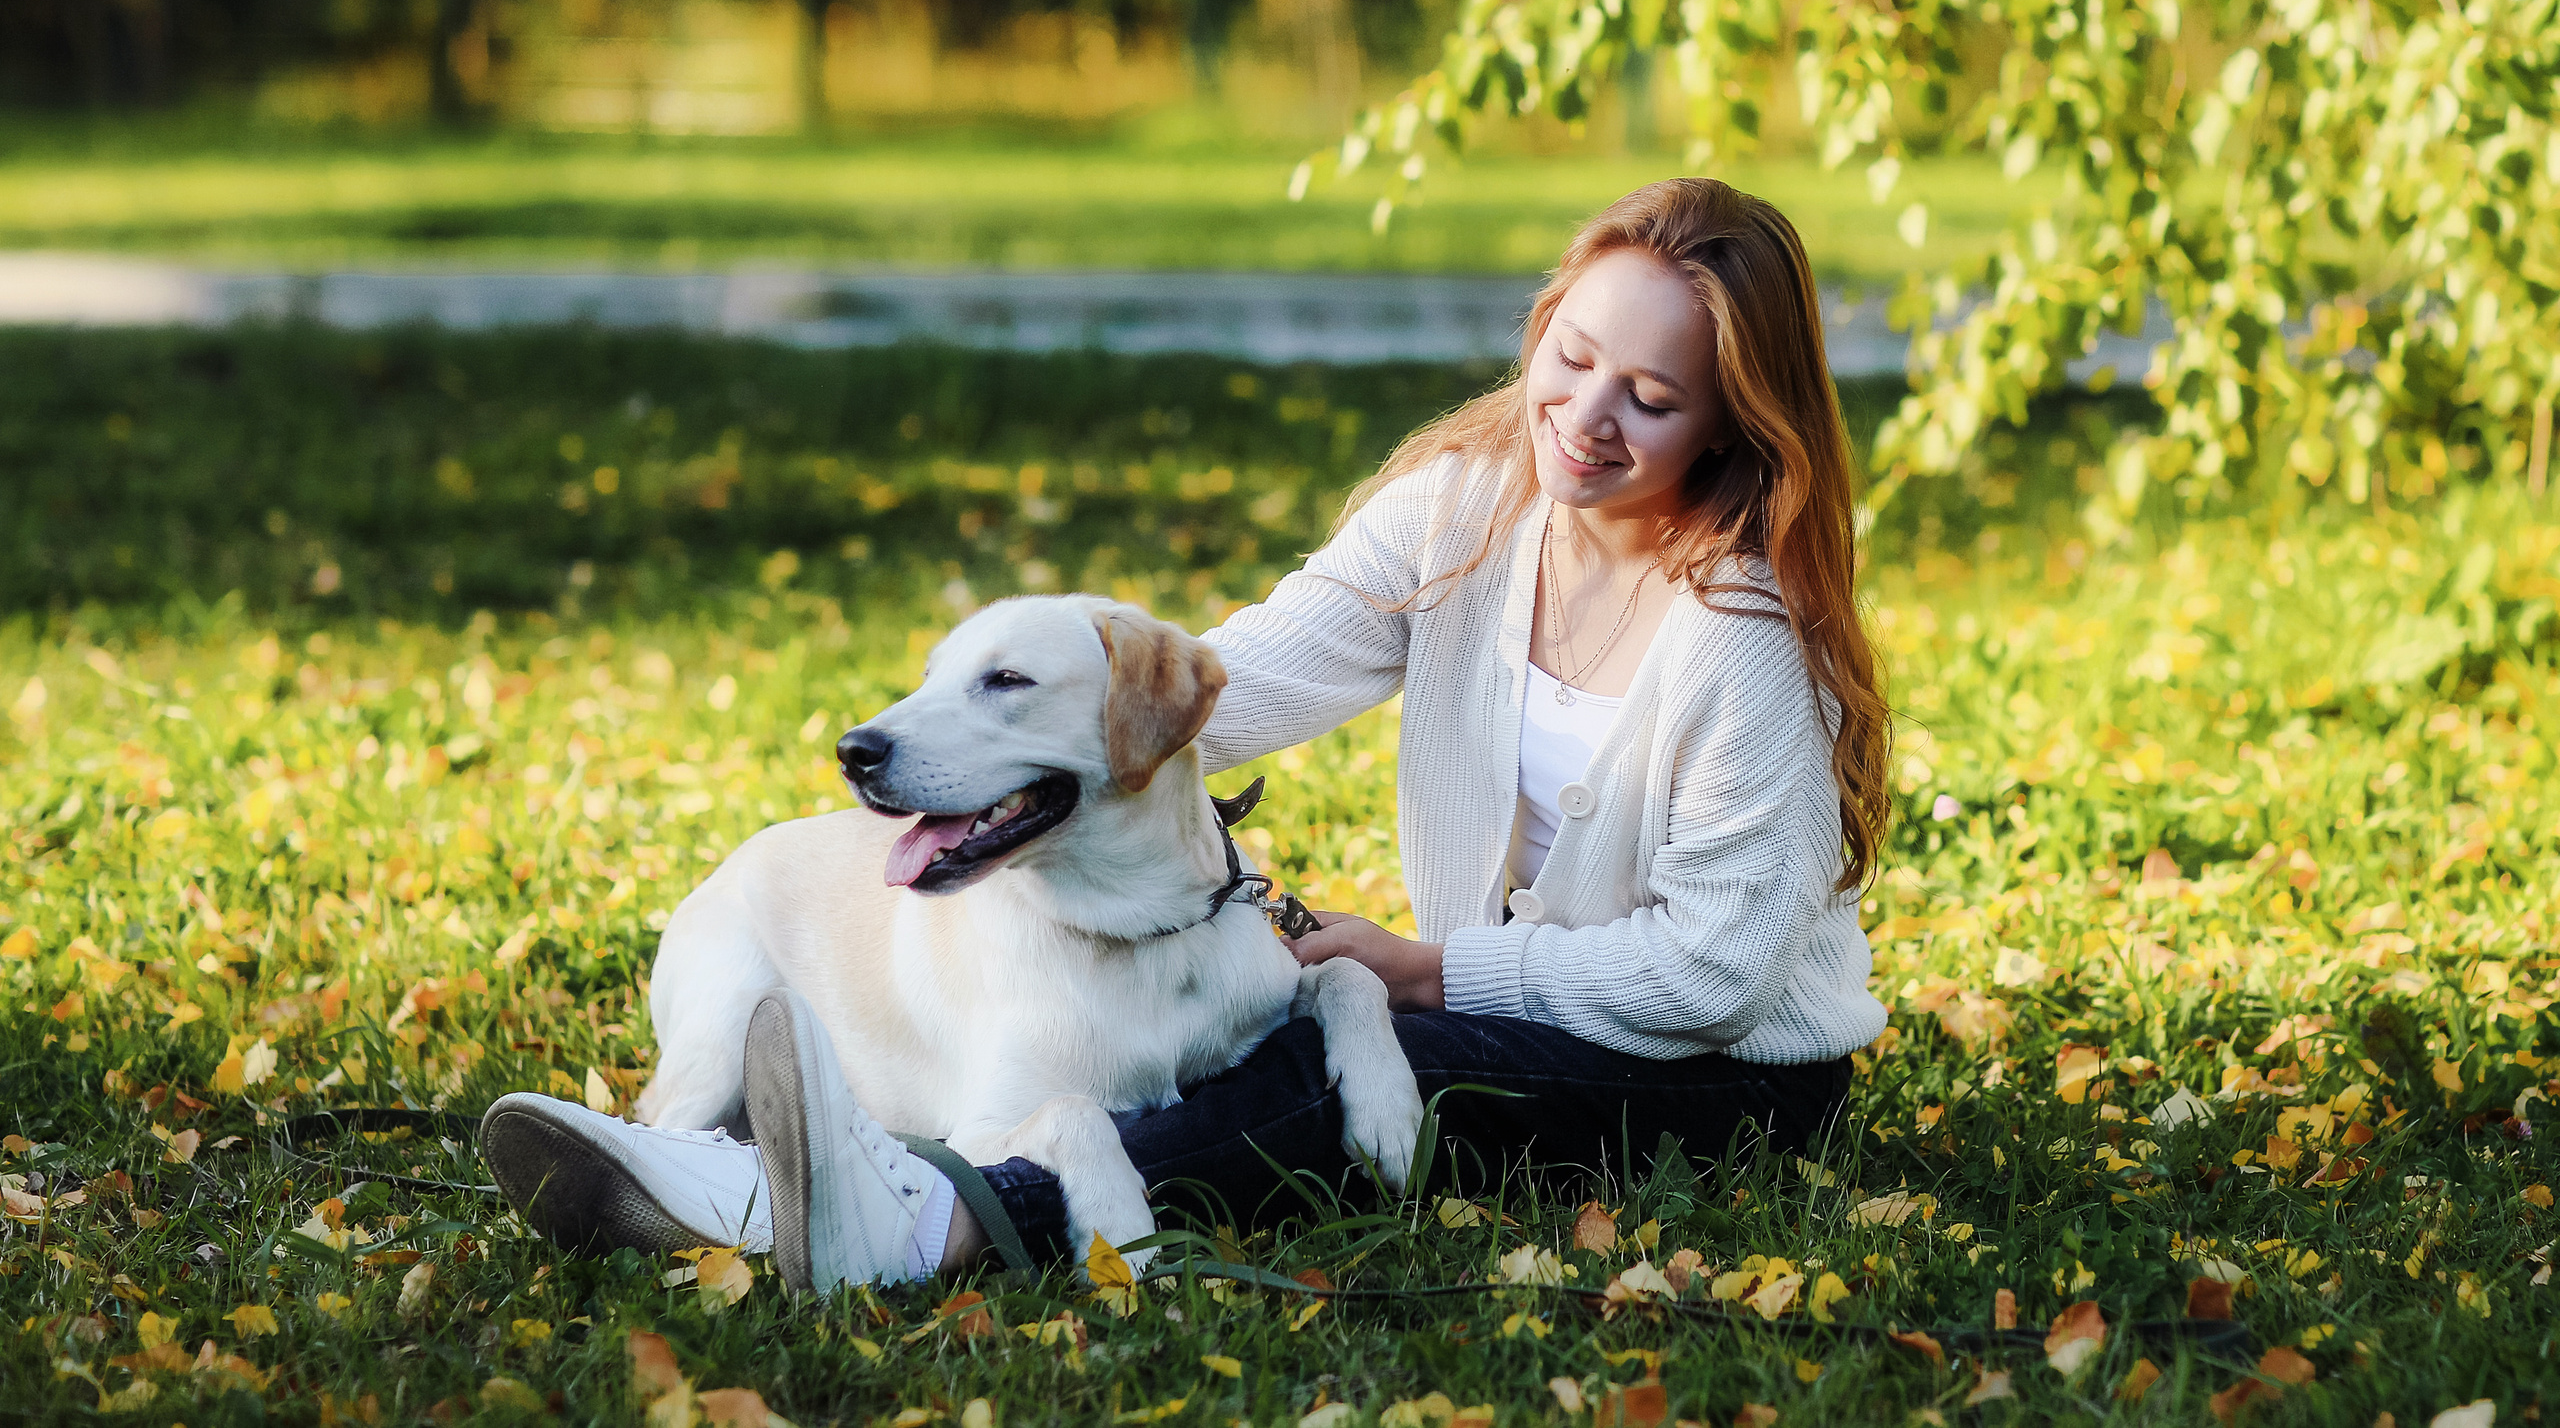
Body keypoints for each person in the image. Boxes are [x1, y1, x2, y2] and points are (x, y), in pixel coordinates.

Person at [480, 178, 1892, 1288]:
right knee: (1305, 1026)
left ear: (1729, 426)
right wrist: (1040, 729)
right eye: (1572, 359)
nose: (1582, 419)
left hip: (1721, 1077)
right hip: (1508, 990)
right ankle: (738, 1172)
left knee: (1335, 1067)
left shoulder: (1740, 643)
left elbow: (1710, 977)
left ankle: (931, 1225)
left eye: (1648, 400)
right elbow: (1246, 675)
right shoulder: (1469, 517)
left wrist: (1426, 968)